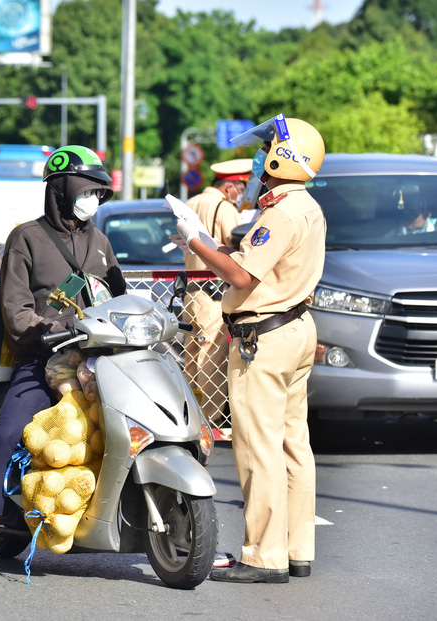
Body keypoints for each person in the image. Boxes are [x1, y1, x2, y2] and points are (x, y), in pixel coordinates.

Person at [0, 145, 127, 582]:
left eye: (100, 192)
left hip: (99, 364)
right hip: (43, 360)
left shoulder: (101, 242)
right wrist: (51, 330)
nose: (94, 198)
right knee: (7, 434)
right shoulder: (27, 238)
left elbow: (120, 297)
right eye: (88, 189)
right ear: (62, 188)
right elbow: (16, 312)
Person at [175, 115, 325, 584]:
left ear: (282, 158)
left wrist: (195, 239)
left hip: (265, 338)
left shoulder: (279, 213)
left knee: (259, 448)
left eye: (267, 149)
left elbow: (241, 276)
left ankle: (264, 556)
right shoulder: (308, 207)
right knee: (293, 446)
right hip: (297, 328)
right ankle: (297, 550)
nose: (260, 157)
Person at [182, 159, 251, 431]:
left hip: (191, 290)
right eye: (241, 188)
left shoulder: (192, 202)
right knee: (212, 356)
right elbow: (238, 247)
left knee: (192, 356)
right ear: (230, 186)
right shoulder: (223, 207)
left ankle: (190, 414)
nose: (242, 194)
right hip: (213, 293)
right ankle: (207, 422)